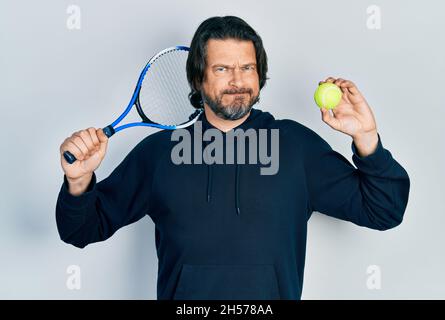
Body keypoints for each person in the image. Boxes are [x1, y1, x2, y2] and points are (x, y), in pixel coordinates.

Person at [56, 16, 410, 300]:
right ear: (197, 78)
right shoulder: (159, 154)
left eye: (247, 68)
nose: (237, 81)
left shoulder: (297, 147)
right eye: (222, 69)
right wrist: (78, 181)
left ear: (260, 75)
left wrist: (366, 138)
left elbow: (384, 210)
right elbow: (81, 229)